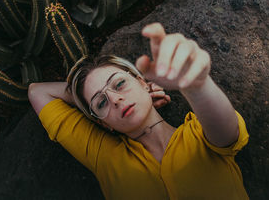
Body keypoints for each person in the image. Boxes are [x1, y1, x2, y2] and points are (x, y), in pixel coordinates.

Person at [28, 23, 249, 199]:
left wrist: (195, 85)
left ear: (144, 83)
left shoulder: (200, 134)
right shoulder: (104, 156)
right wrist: (82, 99)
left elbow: (227, 132)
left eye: (119, 84)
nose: (114, 99)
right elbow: (38, 92)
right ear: (102, 123)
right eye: (101, 103)